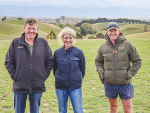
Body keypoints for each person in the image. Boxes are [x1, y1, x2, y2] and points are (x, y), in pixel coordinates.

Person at [5, 18, 53, 113]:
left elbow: (50, 61)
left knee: (35, 111)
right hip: (20, 84)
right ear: (24, 28)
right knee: (19, 111)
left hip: (37, 85)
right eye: (29, 28)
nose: (31, 31)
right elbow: (8, 61)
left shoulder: (43, 43)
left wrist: (43, 75)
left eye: (34, 29)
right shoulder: (15, 43)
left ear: (37, 30)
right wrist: (15, 76)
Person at [95, 22, 142, 113]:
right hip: (109, 84)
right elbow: (98, 61)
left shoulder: (128, 45)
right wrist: (102, 73)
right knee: (113, 107)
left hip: (125, 84)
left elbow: (137, 61)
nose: (113, 33)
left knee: (128, 110)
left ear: (119, 31)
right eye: (110, 31)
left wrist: (130, 74)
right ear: (107, 32)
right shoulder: (103, 47)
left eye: (115, 30)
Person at [53, 27, 85, 113]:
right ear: (62, 39)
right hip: (60, 87)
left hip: (75, 87)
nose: (68, 40)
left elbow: (82, 70)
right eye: (66, 38)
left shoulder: (79, 52)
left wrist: (76, 79)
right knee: (62, 110)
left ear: (73, 39)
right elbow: (55, 69)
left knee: (78, 110)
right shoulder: (57, 53)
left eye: (70, 38)